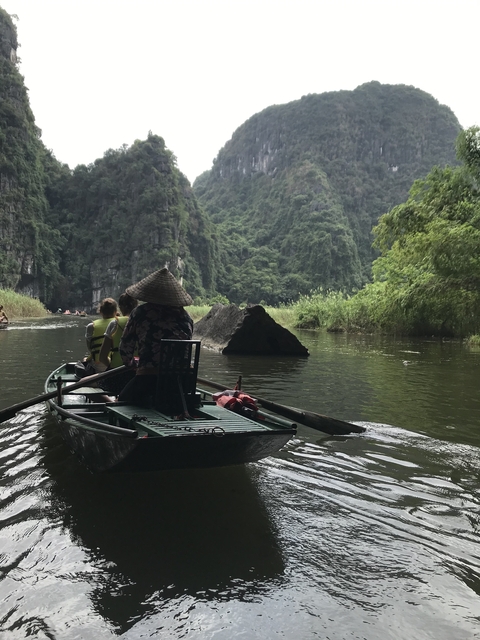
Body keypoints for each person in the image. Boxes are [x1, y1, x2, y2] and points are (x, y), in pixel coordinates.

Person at [118, 268, 194, 406]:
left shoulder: (140, 312)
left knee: (121, 403)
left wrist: (133, 365)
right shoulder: (186, 317)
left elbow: (125, 350)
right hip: (182, 382)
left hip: (148, 380)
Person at [97, 292, 138, 396]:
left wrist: (112, 366)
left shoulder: (114, 323)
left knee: (84, 384)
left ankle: (110, 402)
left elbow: (102, 357)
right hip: (138, 378)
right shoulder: (144, 323)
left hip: (117, 376)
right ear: (136, 306)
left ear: (120, 307)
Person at [84, 297, 118, 374]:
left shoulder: (91, 326)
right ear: (116, 311)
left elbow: (90, 348)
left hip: (98, 366)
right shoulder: (119, 324)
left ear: (100, 311)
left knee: (85, 360)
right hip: (116, 366)